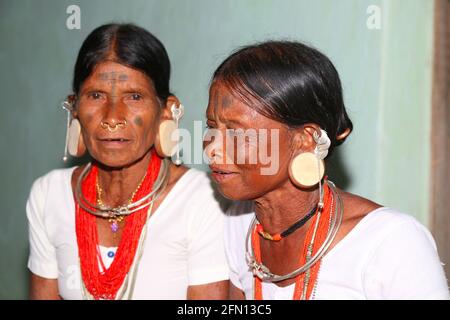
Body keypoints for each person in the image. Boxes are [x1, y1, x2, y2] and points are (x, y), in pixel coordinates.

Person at [203, 40, 449, 300]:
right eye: (211, 127)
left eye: (235, 132)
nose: (212, 149)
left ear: (305, 139)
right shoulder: (240, 225)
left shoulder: (391, 243)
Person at [26, 23, 229, 300]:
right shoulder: (48, 195)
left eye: (134, 96)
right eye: (95, 96)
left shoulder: (204, 200)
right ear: (74, 108)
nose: (112, 117)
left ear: (167, 111)